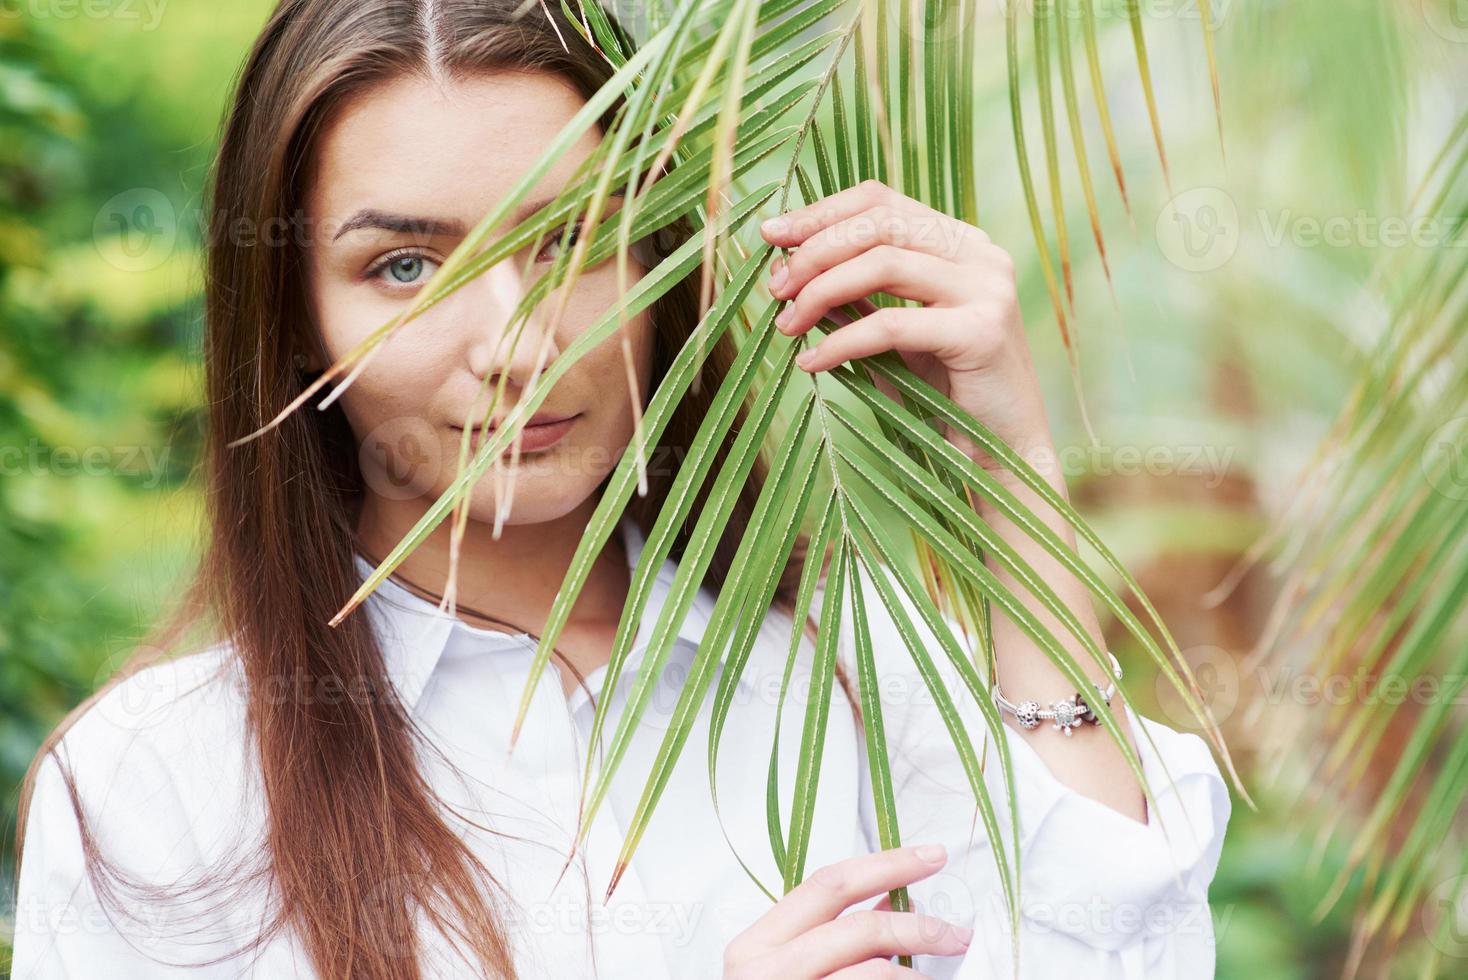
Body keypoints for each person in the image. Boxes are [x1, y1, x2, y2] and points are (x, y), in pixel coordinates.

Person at [10, 1, 1231, 977]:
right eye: (402, 264)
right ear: (295, 318)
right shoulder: (159, 782)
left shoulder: (854, 673)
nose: (516, 344)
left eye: (576, 239)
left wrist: (1004, 456)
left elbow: (1125, 946)